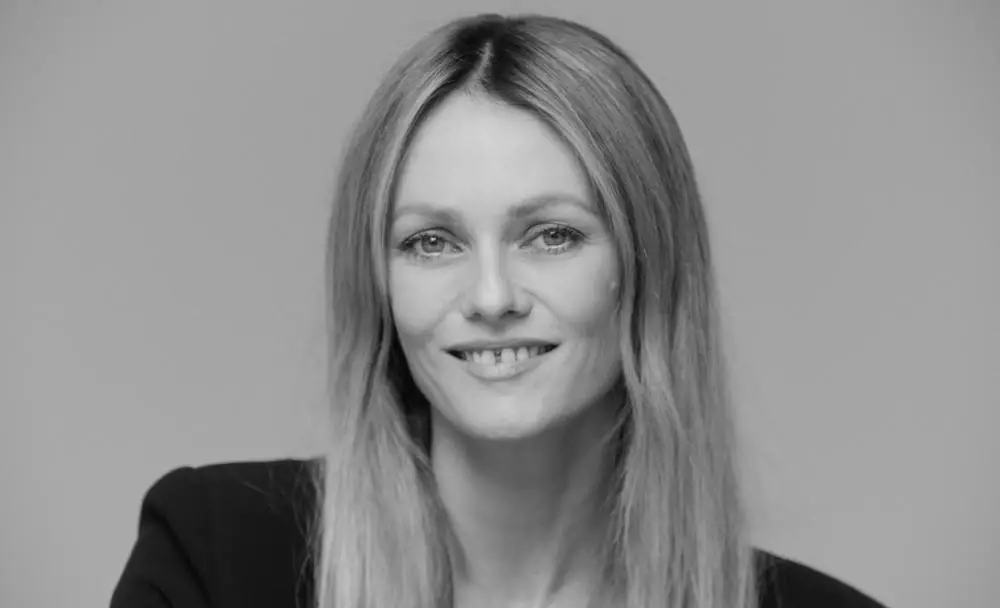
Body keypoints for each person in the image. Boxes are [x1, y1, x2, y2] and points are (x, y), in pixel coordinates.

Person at [111, 13, 887, 608]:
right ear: (378, 284)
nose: (491, 298)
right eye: (431, 242)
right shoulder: (212, 560)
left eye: (552, 235)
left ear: (648, 265)